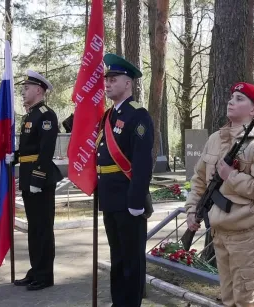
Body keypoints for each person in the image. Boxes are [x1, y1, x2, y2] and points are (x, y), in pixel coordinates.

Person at [185, 82, 254, 307]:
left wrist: (232, 176)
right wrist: (192, 211)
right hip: (219, 233)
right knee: (228, 297)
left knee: (244, 299)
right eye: (232, 97)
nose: (231, 101)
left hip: (244, 236)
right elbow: (199, 180)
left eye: (240, 99)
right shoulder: (215, 140)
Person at [95, 53, 154, 307]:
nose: (107, 84)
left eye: (113, 79)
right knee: (117, 257)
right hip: (110, 197)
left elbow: (142, 163)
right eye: (106, 79)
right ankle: (119, 302)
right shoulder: (107, 116)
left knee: (131, 260)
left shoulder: (138, 115)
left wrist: (136, 199)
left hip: (129, 199)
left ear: (128, 83)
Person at [10, 70, 63, 291]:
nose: (23, 92)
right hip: (28, 175)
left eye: (27, 88)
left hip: (39, 179)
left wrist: (38, 178)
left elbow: (46, 150)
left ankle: (45, 275)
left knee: (42, 228)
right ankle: (35, 270)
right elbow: (28, 149)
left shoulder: (46, 115)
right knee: (34, 228)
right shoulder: (29, 116)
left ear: (39, 90)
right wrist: (14, 157)